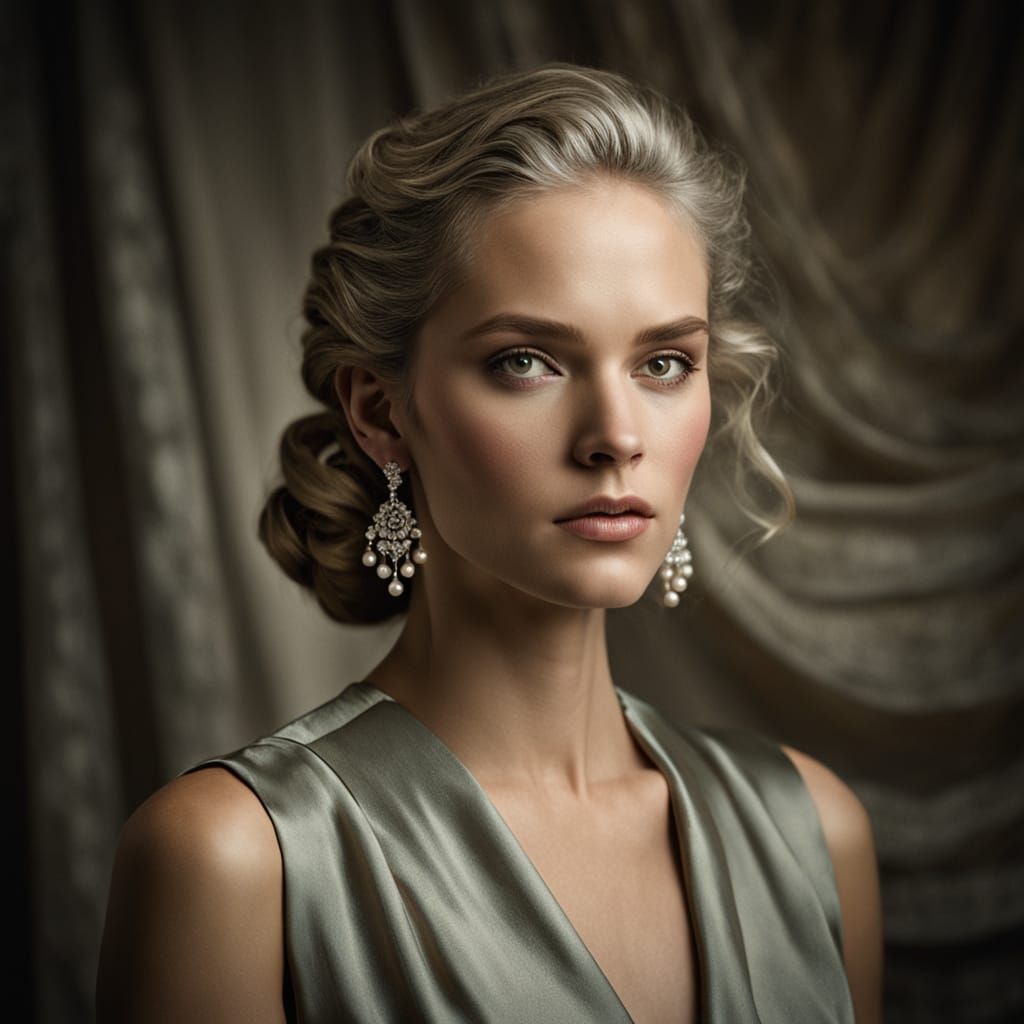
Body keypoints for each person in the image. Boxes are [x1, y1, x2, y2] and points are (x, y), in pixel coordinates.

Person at [96, 63, 883, 1023]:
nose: (615, 434)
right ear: (380, 410)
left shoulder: (809, 832)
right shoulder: (236, 860)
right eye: (527, 362)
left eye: (665, 362)